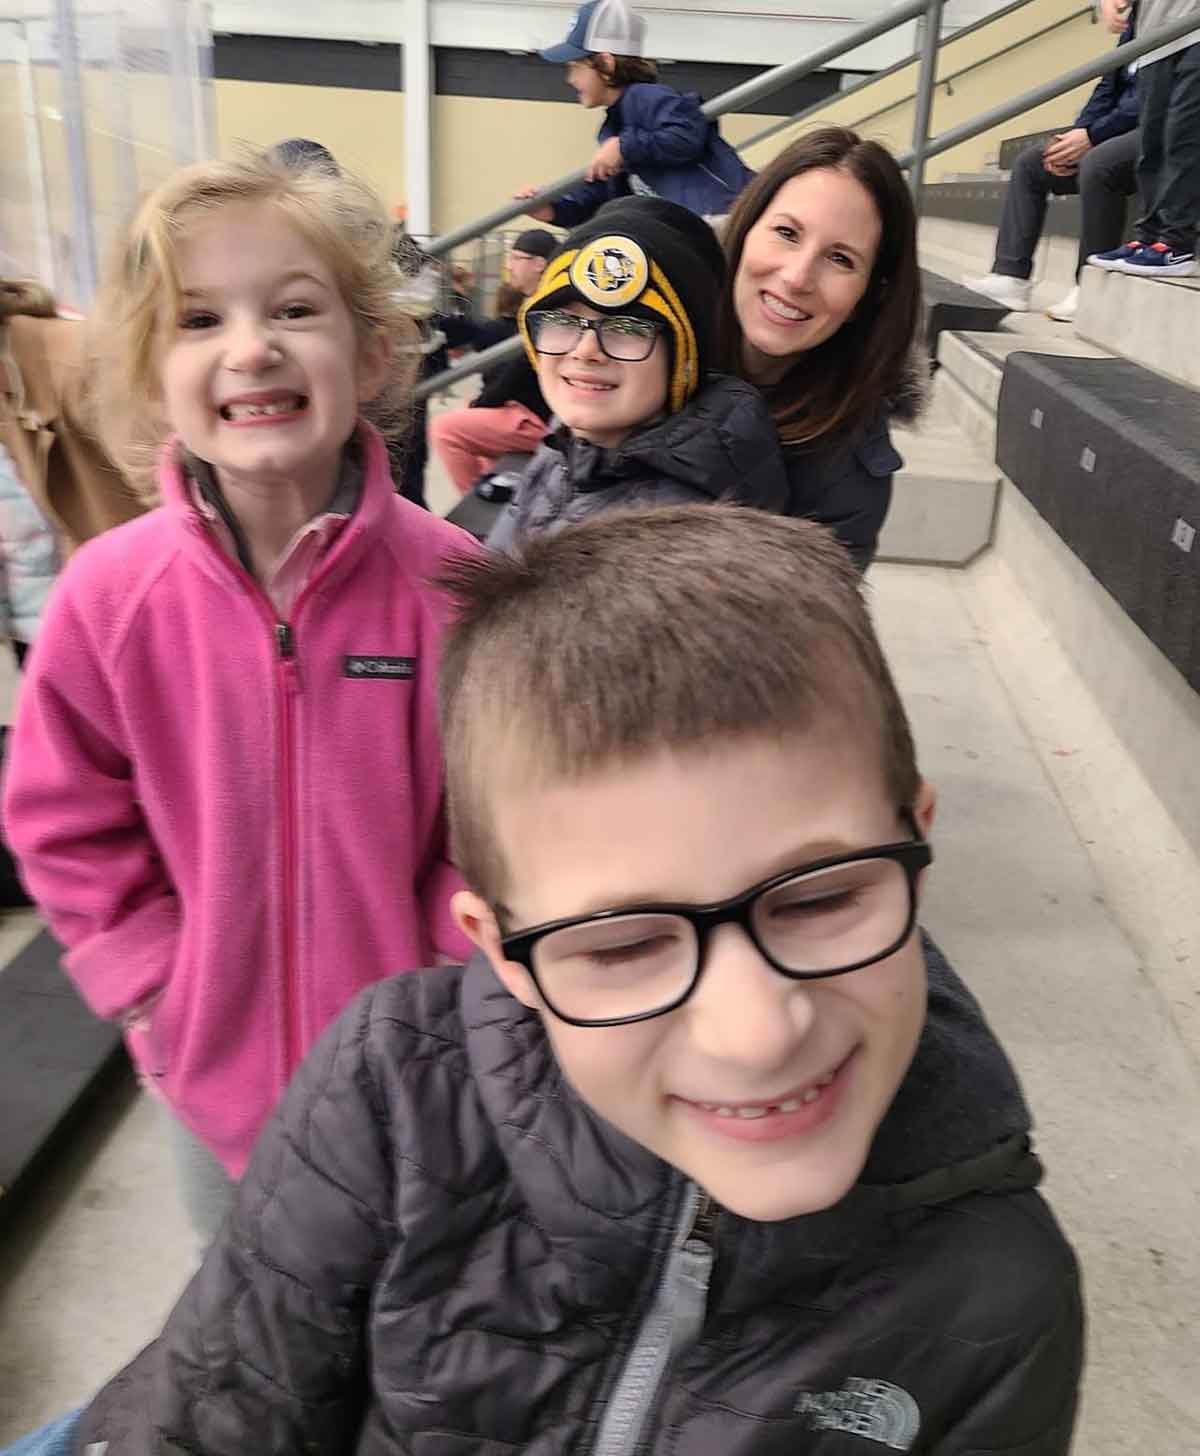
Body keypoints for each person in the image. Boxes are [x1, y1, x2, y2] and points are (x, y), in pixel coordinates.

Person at [9, 506, 1084, 1456]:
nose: (756, 1031)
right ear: (498, 947)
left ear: (919, 845)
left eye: (819, 898)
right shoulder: (389, 1091)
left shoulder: (1000, 1295)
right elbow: (213, 1414)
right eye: (620, 947)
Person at [2, 150, 477, 1241]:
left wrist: (443, 980)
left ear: (370, 349)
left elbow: (499, 818)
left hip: (417, 1076)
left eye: (295, 309)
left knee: (416, 1306)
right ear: (149, 370)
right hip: (213, 1087)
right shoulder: (108, 600)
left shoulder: (453, 586)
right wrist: (156, 985)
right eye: (200, 319)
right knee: (249, 1309)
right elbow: (64, 818)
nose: (252, 347)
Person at [486, 196, 788, 550]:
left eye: (627, 327)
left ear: (685, 359)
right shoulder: (569, 441)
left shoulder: (687, 540)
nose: (585, 350)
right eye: (561, 320)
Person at [716, 126, 925, 571]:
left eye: (840, 258)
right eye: (787, 233)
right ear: (746, 227)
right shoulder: (643, 345)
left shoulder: (848, 477)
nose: (797, 277)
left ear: (868, 297)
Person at [966, 2, 1140, 321]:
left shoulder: (1174, 16)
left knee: (1099, 164)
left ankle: (1089, 288)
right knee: (1032, 163)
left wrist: (1093, 136)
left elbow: (1154, 99)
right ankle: (1011, 277)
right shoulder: (1140, 17)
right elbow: (1107, 87)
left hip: (1161, 131)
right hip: (1117, 129)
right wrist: (1078, 135)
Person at [515, 0, 753, 229]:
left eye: (575, 67)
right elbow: (601, 193)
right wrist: (554, 209)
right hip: (692, 226)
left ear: (606, 64)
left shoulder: (645, 97)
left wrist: (624, 147)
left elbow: (687, 135)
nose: (570, 79)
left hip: (724, 214)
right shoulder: (614, 126)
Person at [428, 229, 559, 495]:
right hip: (534, 412)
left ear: (539, 264)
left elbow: (519, 370)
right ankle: (495, 494)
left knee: (445, 429)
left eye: (516, 258)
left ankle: (477, 507)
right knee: (472, 414)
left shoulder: (549, 306)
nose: (509, 266)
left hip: (541, 419)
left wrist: (483, 402)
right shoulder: (542, 302)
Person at [1091, 0, 1200, 275]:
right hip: (1154, 38)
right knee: (1151, 144)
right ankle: (1149, 236)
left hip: (1194, 28)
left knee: (1182, 137)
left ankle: (1177, 243)